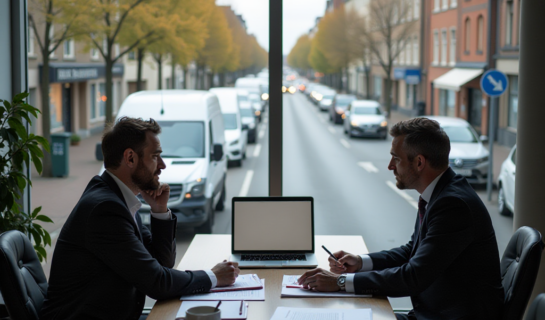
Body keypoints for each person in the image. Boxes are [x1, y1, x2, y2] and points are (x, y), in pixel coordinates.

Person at [298, 118, 504, 320]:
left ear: (419, 162)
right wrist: (361, 262)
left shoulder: (453, 205)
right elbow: (412, 251)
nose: (389, 166)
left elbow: (414, 276)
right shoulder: (440, 194)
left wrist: (341, 281)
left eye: (396, 159)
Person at [40, 117, 240, 320]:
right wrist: (213, 276)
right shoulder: (105, 210)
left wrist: (160, 210)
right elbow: (157, 282)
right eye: (155, 156)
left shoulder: (116, 197)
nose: (162, 165)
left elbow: (162, 262)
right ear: (130, 158)